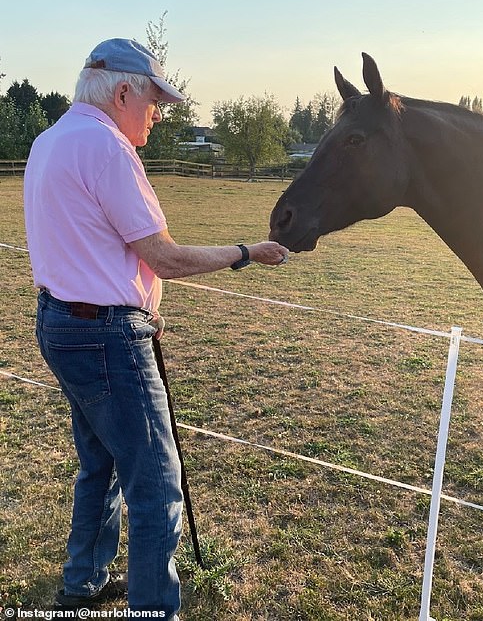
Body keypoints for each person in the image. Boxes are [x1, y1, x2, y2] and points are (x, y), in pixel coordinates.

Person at [23, 38, 289, 620]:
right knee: (156, 484)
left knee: (101, 460)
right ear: (122, 92)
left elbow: (90, 247)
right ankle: (152, 608)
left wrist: (139, 304)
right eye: (153, 100)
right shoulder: (108, 149)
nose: (159, 113)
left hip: (60, 323)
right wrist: (247, 251)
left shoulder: (48, 142)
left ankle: (84, 580)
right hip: (105, 336)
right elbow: (162, 256)